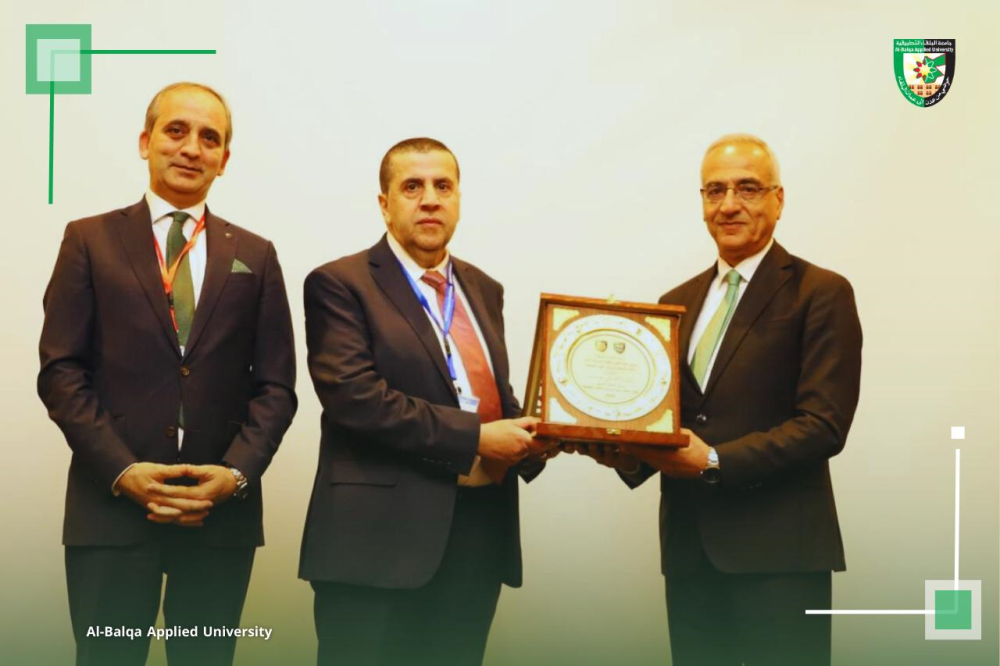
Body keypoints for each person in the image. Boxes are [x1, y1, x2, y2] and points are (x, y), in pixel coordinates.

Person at [574, 134, 862, 666]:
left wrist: (712, 460)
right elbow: (669, 419)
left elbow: (824, 425)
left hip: (780, 559)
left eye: (747, 188)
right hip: (691, 557)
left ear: (778, 199)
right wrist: (621, 450)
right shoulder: (674, 304)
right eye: (715, 190)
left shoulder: (821, 292)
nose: (729, 205)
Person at [37, 82, 297, 666]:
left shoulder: (256, 255)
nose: (191, 147)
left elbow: (276, 388)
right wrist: (122, 470)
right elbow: (61, 372)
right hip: (110, 510)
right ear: (145, 142)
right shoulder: (89, 240)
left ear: (224, 159)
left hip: (218, 518)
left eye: (210, 138)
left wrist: (235, 476)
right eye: (176, 130)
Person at [299, 137, 552, 666]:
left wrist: (544, 435)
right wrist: (478, 438)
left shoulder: (484, 288)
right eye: (412, 187)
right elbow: (357, 399)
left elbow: (493, 396)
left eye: (443, 186)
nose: (430, 199)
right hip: (376, 544)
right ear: (385, 203)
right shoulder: (339, 283)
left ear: (458, 198)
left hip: (478, 536)